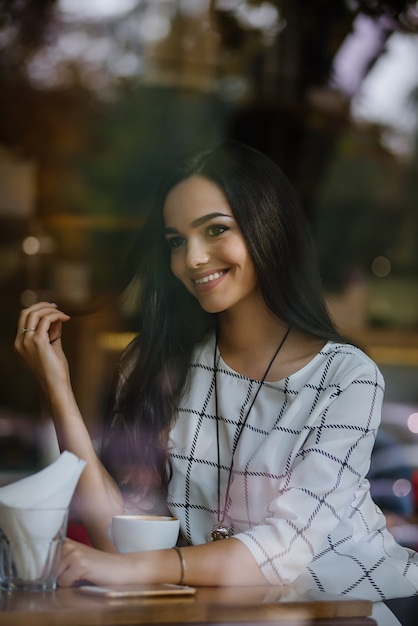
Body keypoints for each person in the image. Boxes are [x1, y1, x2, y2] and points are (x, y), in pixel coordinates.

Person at [14, 142, 418, 604]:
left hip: (361, 605)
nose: (193, 259)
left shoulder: (347, 377)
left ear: (267, 227)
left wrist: (138, 568)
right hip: (228, 612)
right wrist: (57, 388)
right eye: (176, 241)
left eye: (215, 230)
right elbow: (120, 543)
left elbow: (284, 551)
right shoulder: (157, 365)